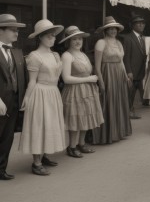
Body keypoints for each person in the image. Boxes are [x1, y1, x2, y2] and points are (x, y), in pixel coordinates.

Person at [19, 20, 66, 176]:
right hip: (40, 92)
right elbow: (32, 80)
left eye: (54, 36)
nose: (53, 39)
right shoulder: (34, 56)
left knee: (50, 124)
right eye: (49, 36)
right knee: (39, 124)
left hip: (53, 92)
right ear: (40, 37)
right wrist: (27, 97)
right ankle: (36, 162)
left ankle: (44, 155)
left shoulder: (55, 54)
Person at [60, 26, 103, 158]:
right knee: (75, 119)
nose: (78, 42)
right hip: (74, 91)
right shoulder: (67, 56)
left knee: (86, 116)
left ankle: (81, 143)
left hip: (87, 90)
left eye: (79, 39)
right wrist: (88, 78)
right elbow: (66, 78)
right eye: (74, 39)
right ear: (68, 41)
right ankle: (71, 147)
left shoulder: (83, 54)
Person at [91, 16, 132, 144]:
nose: (113, 30)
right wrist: (101, 81)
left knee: (119, 101)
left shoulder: (119, 43)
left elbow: (121, 61)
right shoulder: (101, 43)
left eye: (115, 28)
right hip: (107, 73)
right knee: (108, 102)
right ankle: (106, 134)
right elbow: (97, 66)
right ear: (106, 30)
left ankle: (118, 132)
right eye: (110, 28)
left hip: (119, 74)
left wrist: (125, 76)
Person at [0, 14, 27, 180]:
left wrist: (23, 97)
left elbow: (23, 77)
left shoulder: (17, 52)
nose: (17, 33)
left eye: (17, 30)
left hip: (14, 101)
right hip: (0, 100)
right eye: (12, 30)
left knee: (8, 136)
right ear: (1, 30)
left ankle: (1, 169)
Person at [122, 15, 147, 120]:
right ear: (133, 26)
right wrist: (128, 71)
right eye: (138, 23)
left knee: (134, 92)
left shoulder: (143, 38)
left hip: (140, 71)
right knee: (130, 93)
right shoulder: (128, 38)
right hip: (132, 71)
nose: (141, 25)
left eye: (143, 23)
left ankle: (130, 111)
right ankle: (128, 112)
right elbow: (126, 56)